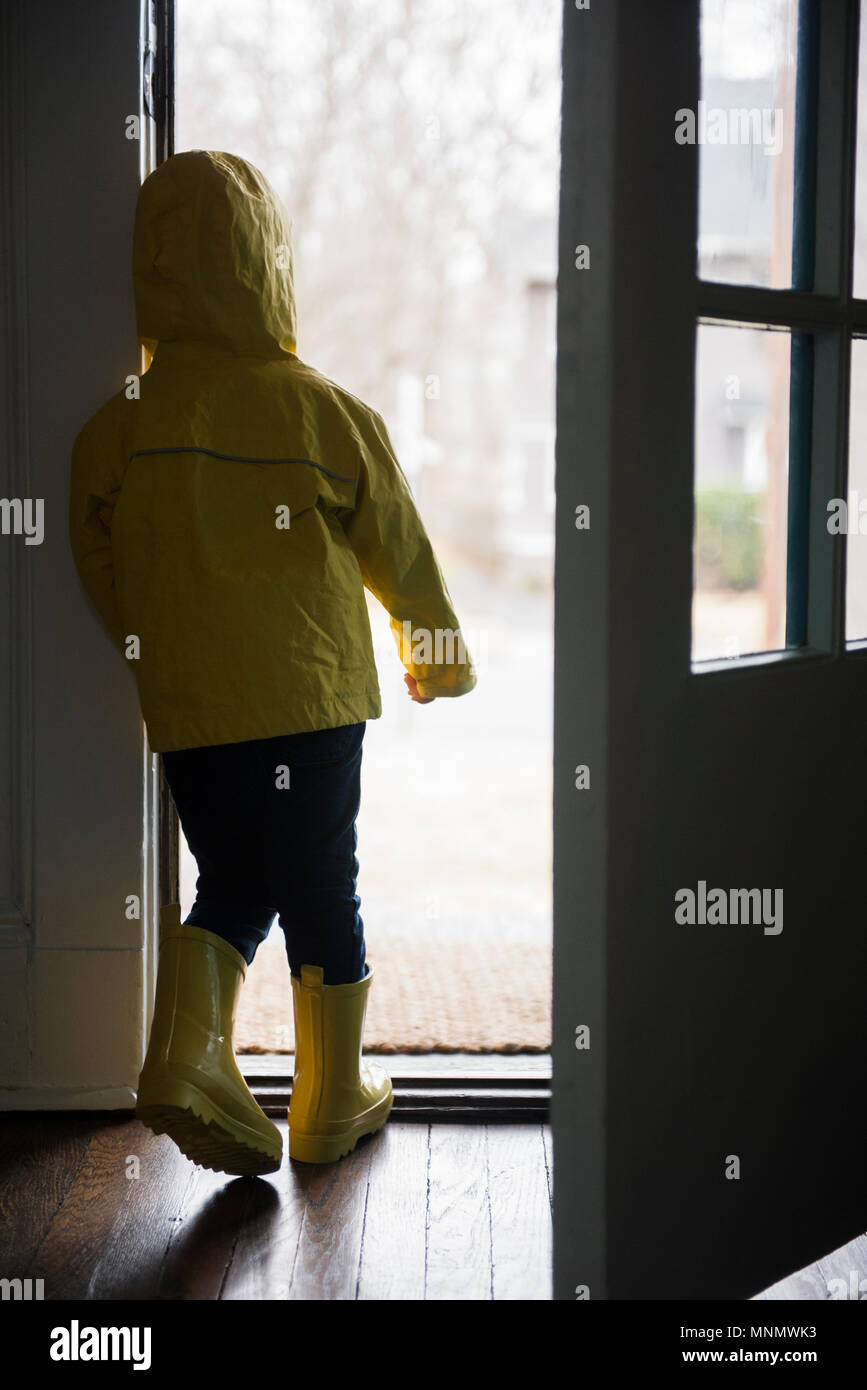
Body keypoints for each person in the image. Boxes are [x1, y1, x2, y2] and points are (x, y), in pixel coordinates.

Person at [69, 150, 476, 1175]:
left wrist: (147, 631)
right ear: (271, 268)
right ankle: (330, 1100)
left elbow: (95, 540)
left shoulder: (124, 422)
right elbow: (402, 548)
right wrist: (436, 656)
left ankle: (188, 1057)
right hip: (313, 690)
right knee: (319, 880)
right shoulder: (326, 410)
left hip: (196, 697)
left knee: (234, 877)